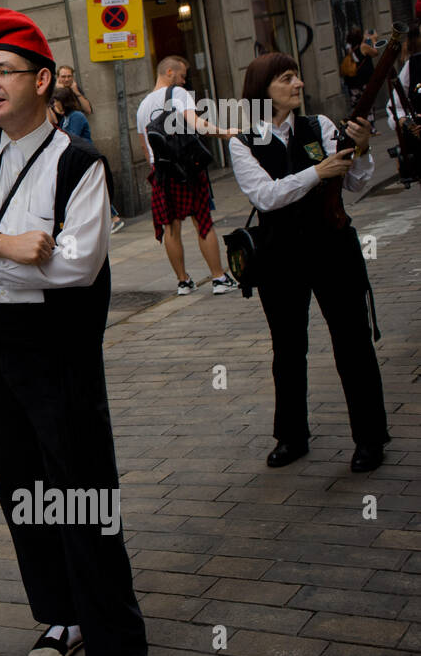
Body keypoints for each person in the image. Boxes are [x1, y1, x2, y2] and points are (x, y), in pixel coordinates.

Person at [0, 8, 168, 656]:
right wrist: (0, 244)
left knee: (83, 488)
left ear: (42, 80)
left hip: (58, 346)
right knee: (22, 484)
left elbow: (77, 265)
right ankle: (60, 612)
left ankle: (118, 638)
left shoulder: (80, 162)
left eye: (4, 72)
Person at [231, 52, 389, 473]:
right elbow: (265, 196)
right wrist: (316, 173)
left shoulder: (319, 126)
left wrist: (363, 150)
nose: (298, 84)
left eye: (297, 76)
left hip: (332, 249)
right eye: (286, 78)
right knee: (287, 349)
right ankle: (292, 436)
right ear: (263, 91)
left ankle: (371, 438)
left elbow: (354, 183)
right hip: (280, 257)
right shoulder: (243, 142)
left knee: (353, 343)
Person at [136, 56, 239, 295]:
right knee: (202, 221)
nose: (184, 81)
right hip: (187, 168)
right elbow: (196, 123)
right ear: (169, 72)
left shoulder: (142, 107)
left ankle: (183, 282)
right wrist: (225, 134)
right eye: (182, 75)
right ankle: (219, 278)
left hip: (161, 170)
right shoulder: (178, 94)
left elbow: (145, 148)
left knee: (171, 227)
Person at [52, 88, 125, 234]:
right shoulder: (65, 118)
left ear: (64, 103)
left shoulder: (76, 116)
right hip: (75, 162)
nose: (55, 107)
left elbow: (71, 137)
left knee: (96, 191)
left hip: (84, 161)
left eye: (57, 103)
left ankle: (114, 218)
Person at [341, 27, 378, 123]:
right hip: (364, 80)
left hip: (352, 81)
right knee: (367, 102)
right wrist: (373, 40)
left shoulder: (348, 48)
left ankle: (356, 123)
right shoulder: (363, 46)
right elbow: (375, 53)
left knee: (356, 104)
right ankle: (370, 127)